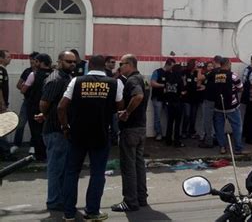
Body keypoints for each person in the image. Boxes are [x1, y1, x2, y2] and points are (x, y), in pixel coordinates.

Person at [58, 55, 123, 221]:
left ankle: (69, 214)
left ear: (89, 65)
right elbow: (119, 107)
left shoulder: (76, 81)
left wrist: (65, 127)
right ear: (104, 66)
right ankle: (92, 211)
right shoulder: (115, 83)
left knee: (71, 172)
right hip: (101, 134)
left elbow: (61, 107)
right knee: (97, 173)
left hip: (77, 134)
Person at [38, 50, 76, 211]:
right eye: (68, 61)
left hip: (61, 130)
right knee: (56, 168)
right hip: (55, 130)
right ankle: (54, 201)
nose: (72, 64)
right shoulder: (56, 79)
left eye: (74, 62)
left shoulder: (67, 77)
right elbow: (44, 103)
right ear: (60, 61)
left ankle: (59, 199)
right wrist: (45, 115)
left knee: (62, 168)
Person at [112, 54, 150, 212]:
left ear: (129, 64)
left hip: (131, 129)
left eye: (121, 64)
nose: (120, 67)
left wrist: (126, 112)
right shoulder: (144, 79)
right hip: (141, 128)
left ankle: (130, 201)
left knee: (128, 166)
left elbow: (139, 96)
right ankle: (141, 198)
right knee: (139, 164)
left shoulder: (133, 80)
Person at [21, 53, 52, 161]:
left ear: (41, 63)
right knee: (48, 130)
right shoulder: (55, 75)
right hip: (50, 107)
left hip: (34, 107)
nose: (34, 63)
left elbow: (23, 90)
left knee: (36, 131)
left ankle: (40, 155)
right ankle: (48, 153)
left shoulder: (33, 74)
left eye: (37, 61)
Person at [212, 57, 244, 154]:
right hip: (232, 106)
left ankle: (222, 147)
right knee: (237, 127)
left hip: (218, 106)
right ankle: (238, 148)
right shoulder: (233, 75)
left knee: (219, 128)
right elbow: (240, 88)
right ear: (228, 64)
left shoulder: (214, 75)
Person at [11, 51, 38, 154]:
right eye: (30, 59)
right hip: (27, 101)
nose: (31, 61)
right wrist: (25, 88)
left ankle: (33, 145)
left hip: (37, 102)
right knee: (21, 123)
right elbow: (18, 85)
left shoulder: (40, 73)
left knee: (35, 125)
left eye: (33, 60)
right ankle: (16, 144)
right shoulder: (27, 71)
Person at [199, 56, 221, 148]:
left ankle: (209, 141)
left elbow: (200, 78)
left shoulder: (213, 72)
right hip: (218, 99)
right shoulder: (222, 72)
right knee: (217, 121)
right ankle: (218, 139)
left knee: (208, 121)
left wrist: (199, 69)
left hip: (210, 99)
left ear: (215, 62)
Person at [150, 58, 175, 141]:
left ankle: (169, 134)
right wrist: (163, 86)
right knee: (157, 117)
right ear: (167, 64)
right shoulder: (157, 72)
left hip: (168, 98)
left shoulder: (171, 73)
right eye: (172, 66)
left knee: (170, 116)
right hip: (157, 98)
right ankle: (159, 133)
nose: (172, 68)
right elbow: (152, 83)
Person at [163, 64, 186, 147]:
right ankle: (177, 141)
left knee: (170, 122)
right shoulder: (179, 80)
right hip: (178, 103)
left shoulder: (168, 79)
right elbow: (183, 92)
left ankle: (168, 140)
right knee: (177, 123)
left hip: (169, 103)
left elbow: (165, 90)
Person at [181, 59, 199, 139]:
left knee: (193, 116)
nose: (197, 66)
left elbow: (199, 83)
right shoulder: (185, 73)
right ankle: (184, 132)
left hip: (195, 98)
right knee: (187, 115)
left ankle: (192, 132)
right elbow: (183, 84)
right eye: (195, 64)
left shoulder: (197, 73)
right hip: (186, 98)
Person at [0, 50, 12, 157]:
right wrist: (2, 104)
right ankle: (5, 152)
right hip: (0, 105)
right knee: (2, 127)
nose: (10, 58)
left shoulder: (3, 70)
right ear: (1, 58)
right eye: (8, 57)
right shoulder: (0, 70)